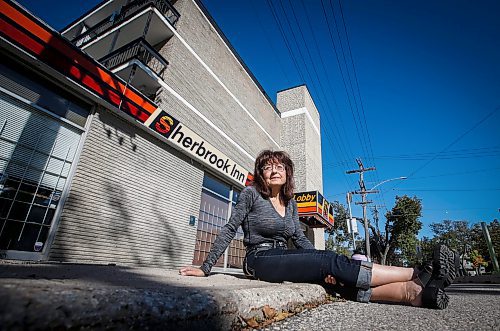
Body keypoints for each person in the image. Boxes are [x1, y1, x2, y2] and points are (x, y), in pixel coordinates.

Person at [180, 150, 459, 309]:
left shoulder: (290, 204)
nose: (272, 170)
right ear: (261, 174)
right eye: (267, 167)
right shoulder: (251, 194)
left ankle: (416, 294)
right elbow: (230, 227)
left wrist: (322, 264)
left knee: (333, 277)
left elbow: (299, 238)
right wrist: (205, 267)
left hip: (283, 258)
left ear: (288, 172)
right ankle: (420, 272)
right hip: (258, 260)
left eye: (278, 166)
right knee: (329, 260)